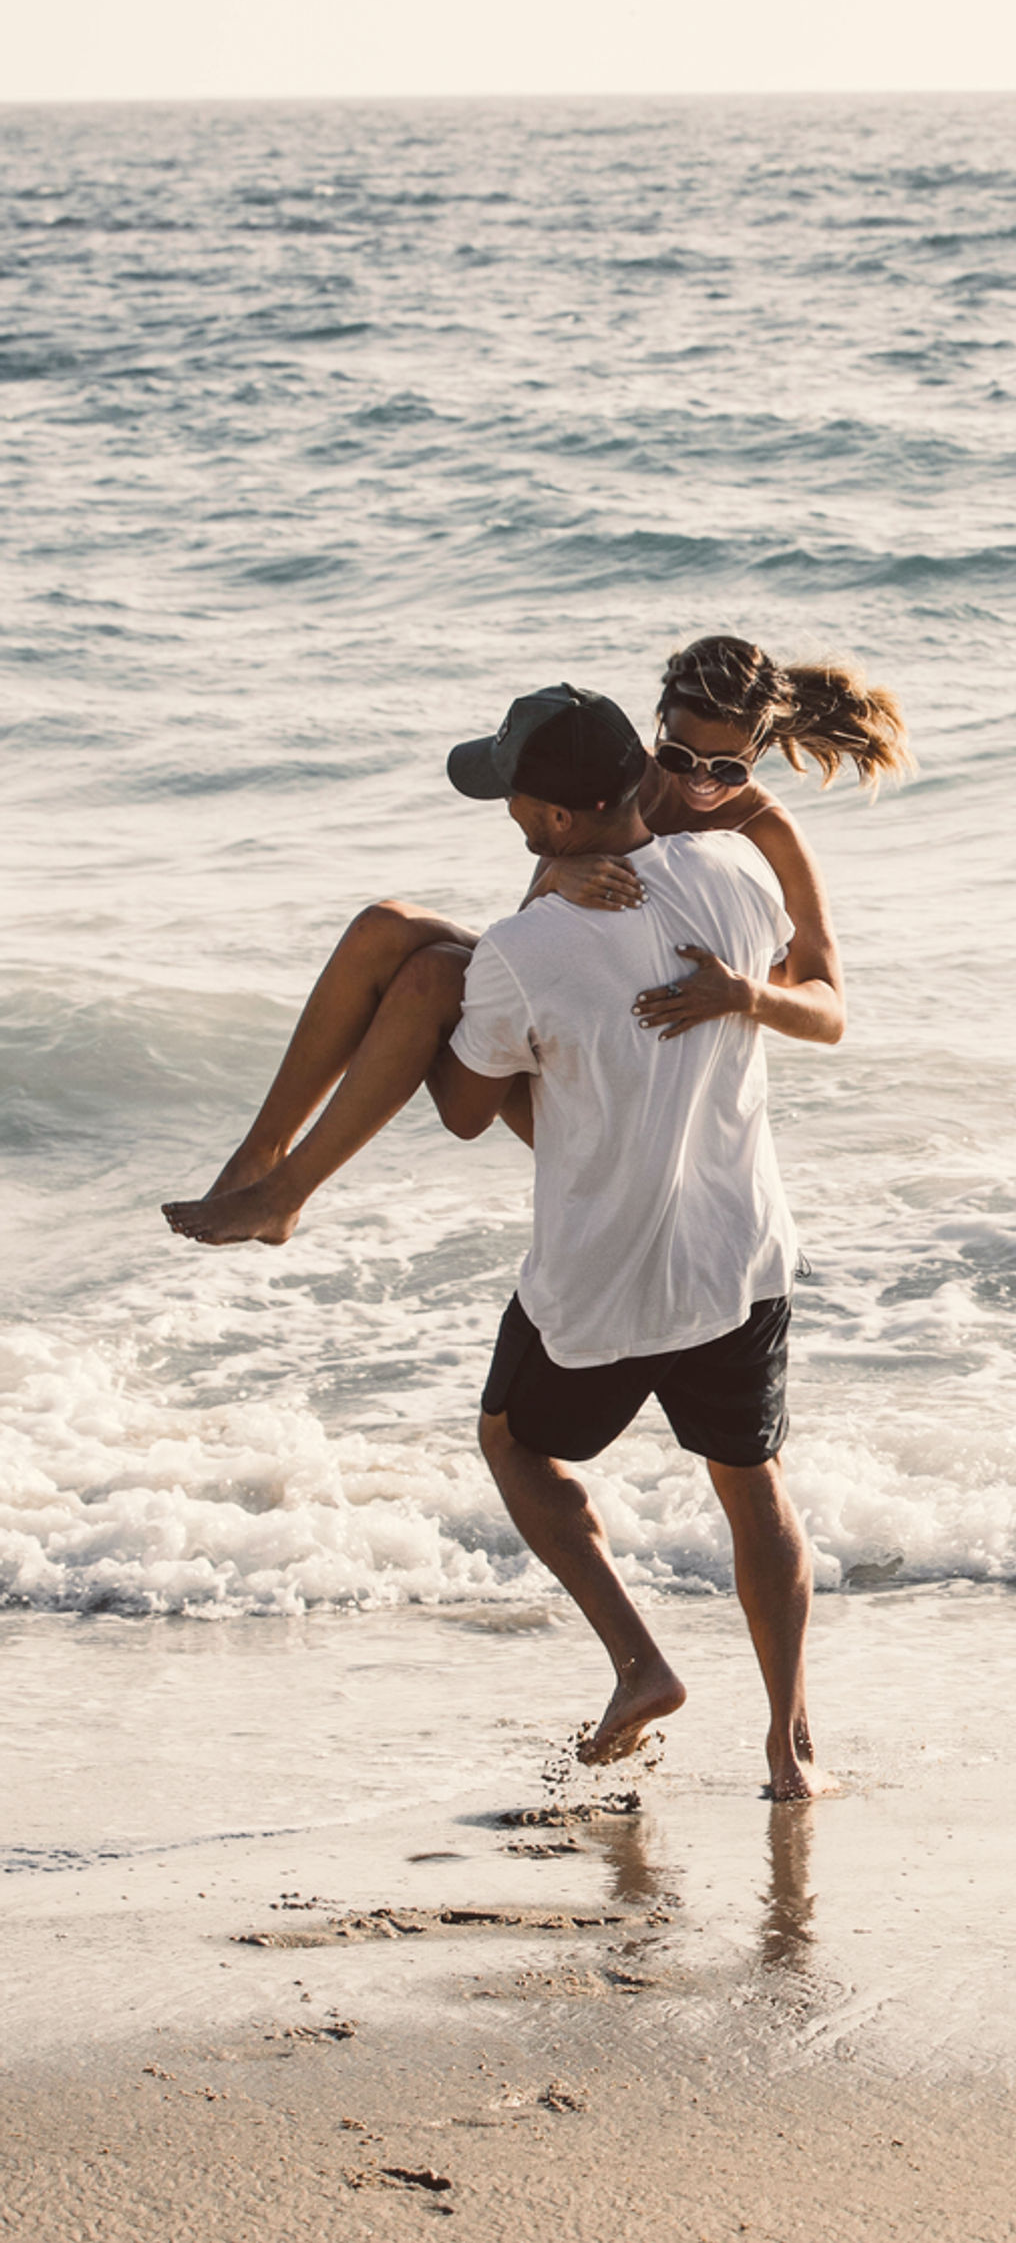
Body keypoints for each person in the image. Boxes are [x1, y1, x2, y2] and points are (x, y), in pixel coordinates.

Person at [398, 679, 829, 1797]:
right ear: (641, 775)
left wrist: (430, 996)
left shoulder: (520, 948)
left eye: (514, 800)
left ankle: (640, 1664)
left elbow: (460, 1107)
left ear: (545, 820)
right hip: (735, 1261)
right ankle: (787, 1746)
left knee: (511, 1442)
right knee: (755, 1486)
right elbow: (792, 988)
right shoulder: (736, 879)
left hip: (599, 1281)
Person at [161, 637, 909, 1247]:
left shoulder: (768, 835)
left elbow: (830, 1011)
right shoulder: (623, 784)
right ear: (658, 729)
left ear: (762, 751)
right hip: (574, 1024)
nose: (696, 787)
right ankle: (261, 1161)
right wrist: (557, 877)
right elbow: (534, 931)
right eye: (679, 758)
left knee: (429, 976)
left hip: (642, 1085)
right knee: (381, 928)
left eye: (727, 769)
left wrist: (746, 995)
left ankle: (286, 1192)